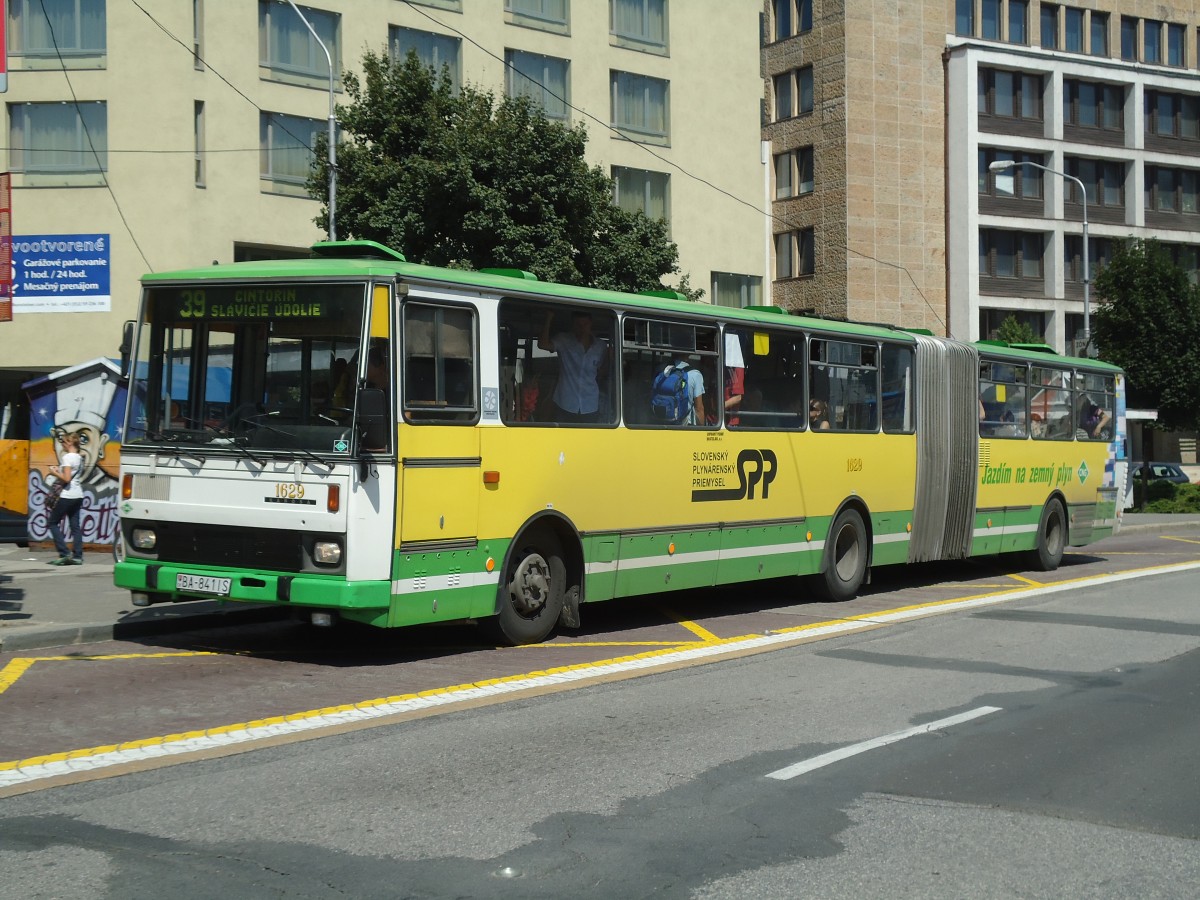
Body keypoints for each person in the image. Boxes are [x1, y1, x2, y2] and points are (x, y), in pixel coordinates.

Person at [538, 310, 607, 423]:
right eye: (578, 325)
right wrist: (548, 318)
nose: (582, 328)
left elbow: (601, 372)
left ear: (591, 324)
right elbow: (542, 344)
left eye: (585, 324)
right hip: (565, 403)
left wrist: (610, 358)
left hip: (590, 405)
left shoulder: (601, 346)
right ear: (573, 325)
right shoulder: (563, 340)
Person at [47, 433, 85, 566]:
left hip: (67, 495)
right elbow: (72, 476)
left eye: (63, 442)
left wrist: (54, 472)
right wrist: (60, 471)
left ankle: (64, 553)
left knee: (52, 522)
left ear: (69, 443)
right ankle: (78, 556)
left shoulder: (67, 457)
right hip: (78, 495)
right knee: (75, 527)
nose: (62, 444)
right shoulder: (80, 458)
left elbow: (67, 479)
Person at [723, 333, 745, 427]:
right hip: (712, 418)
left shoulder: (737, 367)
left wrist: (720, 408)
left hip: (728, 422)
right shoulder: (721, 365)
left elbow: (738, 397)